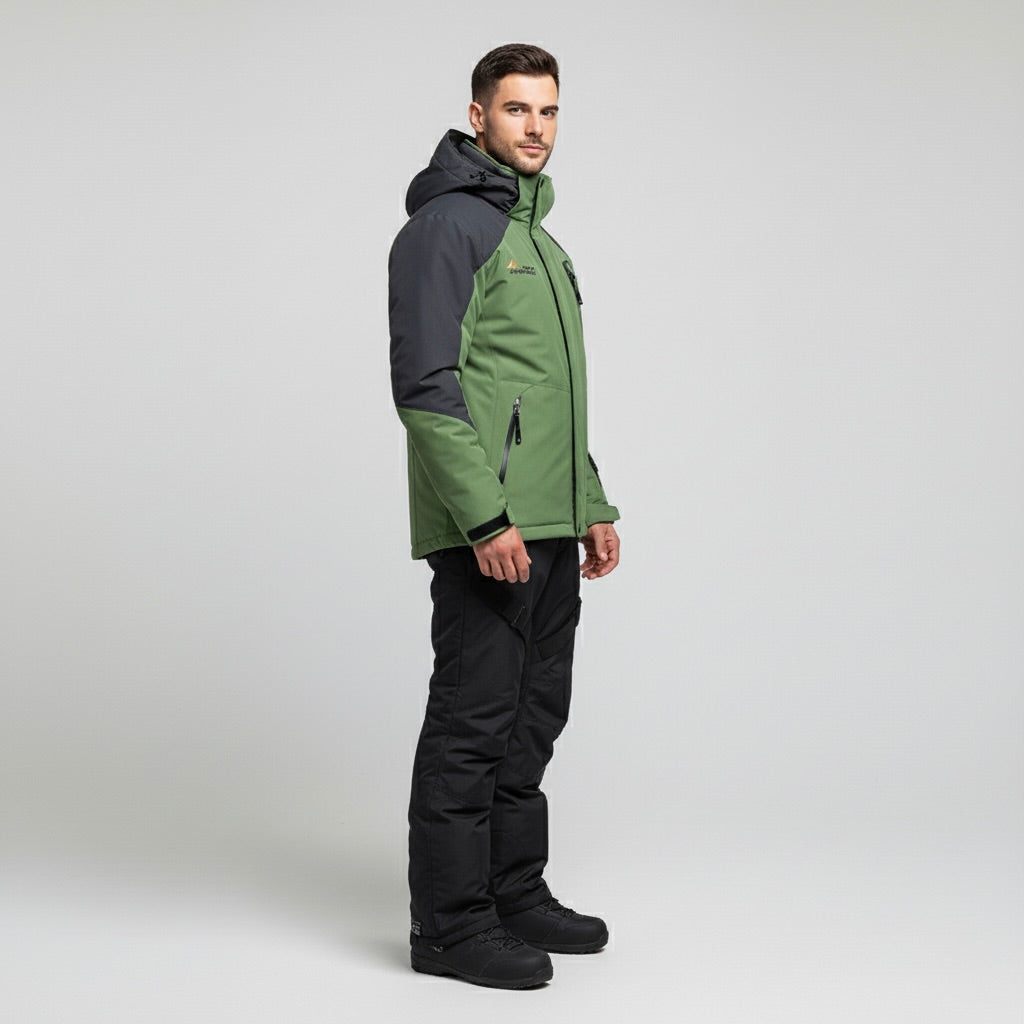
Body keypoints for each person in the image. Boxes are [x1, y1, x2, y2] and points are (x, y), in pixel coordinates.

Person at [388, 42, 621, 989]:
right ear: (477, 115)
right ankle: (449, 927)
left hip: (551, 524)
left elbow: (550, 396)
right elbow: (426, 385)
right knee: (473, 721)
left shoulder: (539, 238)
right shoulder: (449, 227)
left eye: (549, 111)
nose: (536, 127)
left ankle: (513, 891)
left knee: (533, 718)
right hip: (490, 528)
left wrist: (590, 502)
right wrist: (485, 520)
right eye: (518, 109)